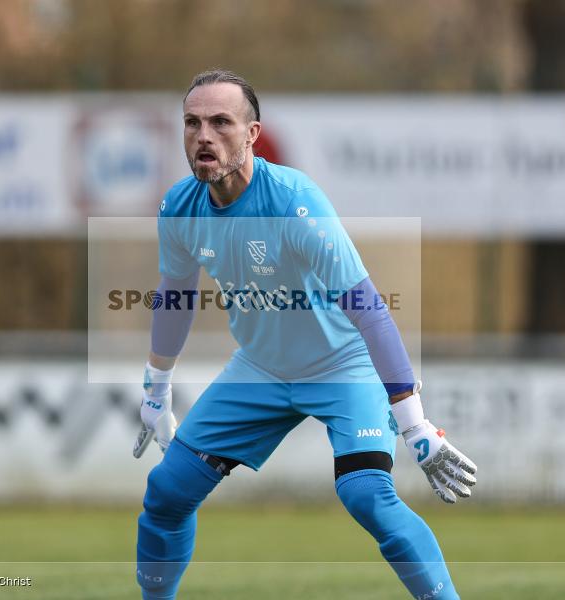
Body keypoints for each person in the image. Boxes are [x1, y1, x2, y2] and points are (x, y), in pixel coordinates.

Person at [133, 69, 477, 600]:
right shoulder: (179, 206)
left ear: (252, 134)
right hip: (261, 368)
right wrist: (156, 388)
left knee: (366, 495)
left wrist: (415, 425)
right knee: (166, 492)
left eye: (221, 122)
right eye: (192, 123)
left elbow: (370, 310)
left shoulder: (295, 203)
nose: (204, 135)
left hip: (343, 365)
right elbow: (175, 296)